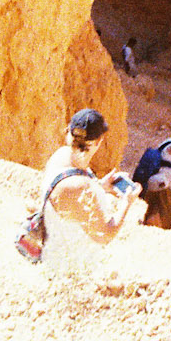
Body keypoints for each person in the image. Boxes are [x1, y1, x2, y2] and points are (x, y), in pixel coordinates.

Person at [38, 109, 142, 271]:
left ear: (68, 131)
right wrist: (126, 203)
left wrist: (100, 186)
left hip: (52, 253)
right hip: (68, 270)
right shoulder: (81, 187)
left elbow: (69, 200)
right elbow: (105, 235)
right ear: (99, 141)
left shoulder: (61, 156)